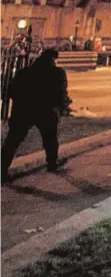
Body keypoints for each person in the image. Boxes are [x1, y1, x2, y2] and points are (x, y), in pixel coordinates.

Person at [1, 48, 69, 182]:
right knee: (50, 139)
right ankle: (52, 163)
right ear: (53, 59)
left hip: (23, 110)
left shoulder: (24, 72)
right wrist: (61, 108)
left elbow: (11, 91)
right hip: (45, 110)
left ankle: (2, 170)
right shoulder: (57, 73)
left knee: (12, 142)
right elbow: (61, 93)